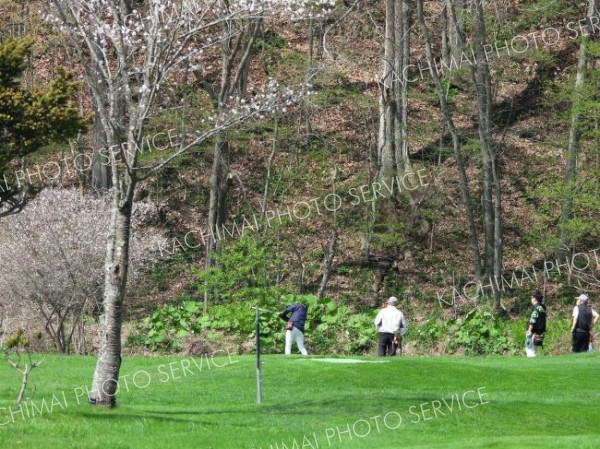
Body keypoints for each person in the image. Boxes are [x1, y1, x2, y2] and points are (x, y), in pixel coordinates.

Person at [525, 290, 546, 357]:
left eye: (531, 297)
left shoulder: (536, 308)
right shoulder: (542, 307)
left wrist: (529, 331)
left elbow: (533, 320)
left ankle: (531, 365)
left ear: (534, 298)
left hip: (534, 332)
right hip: (540, 332)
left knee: (529, 349)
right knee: (533, 349)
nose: (531, 299)